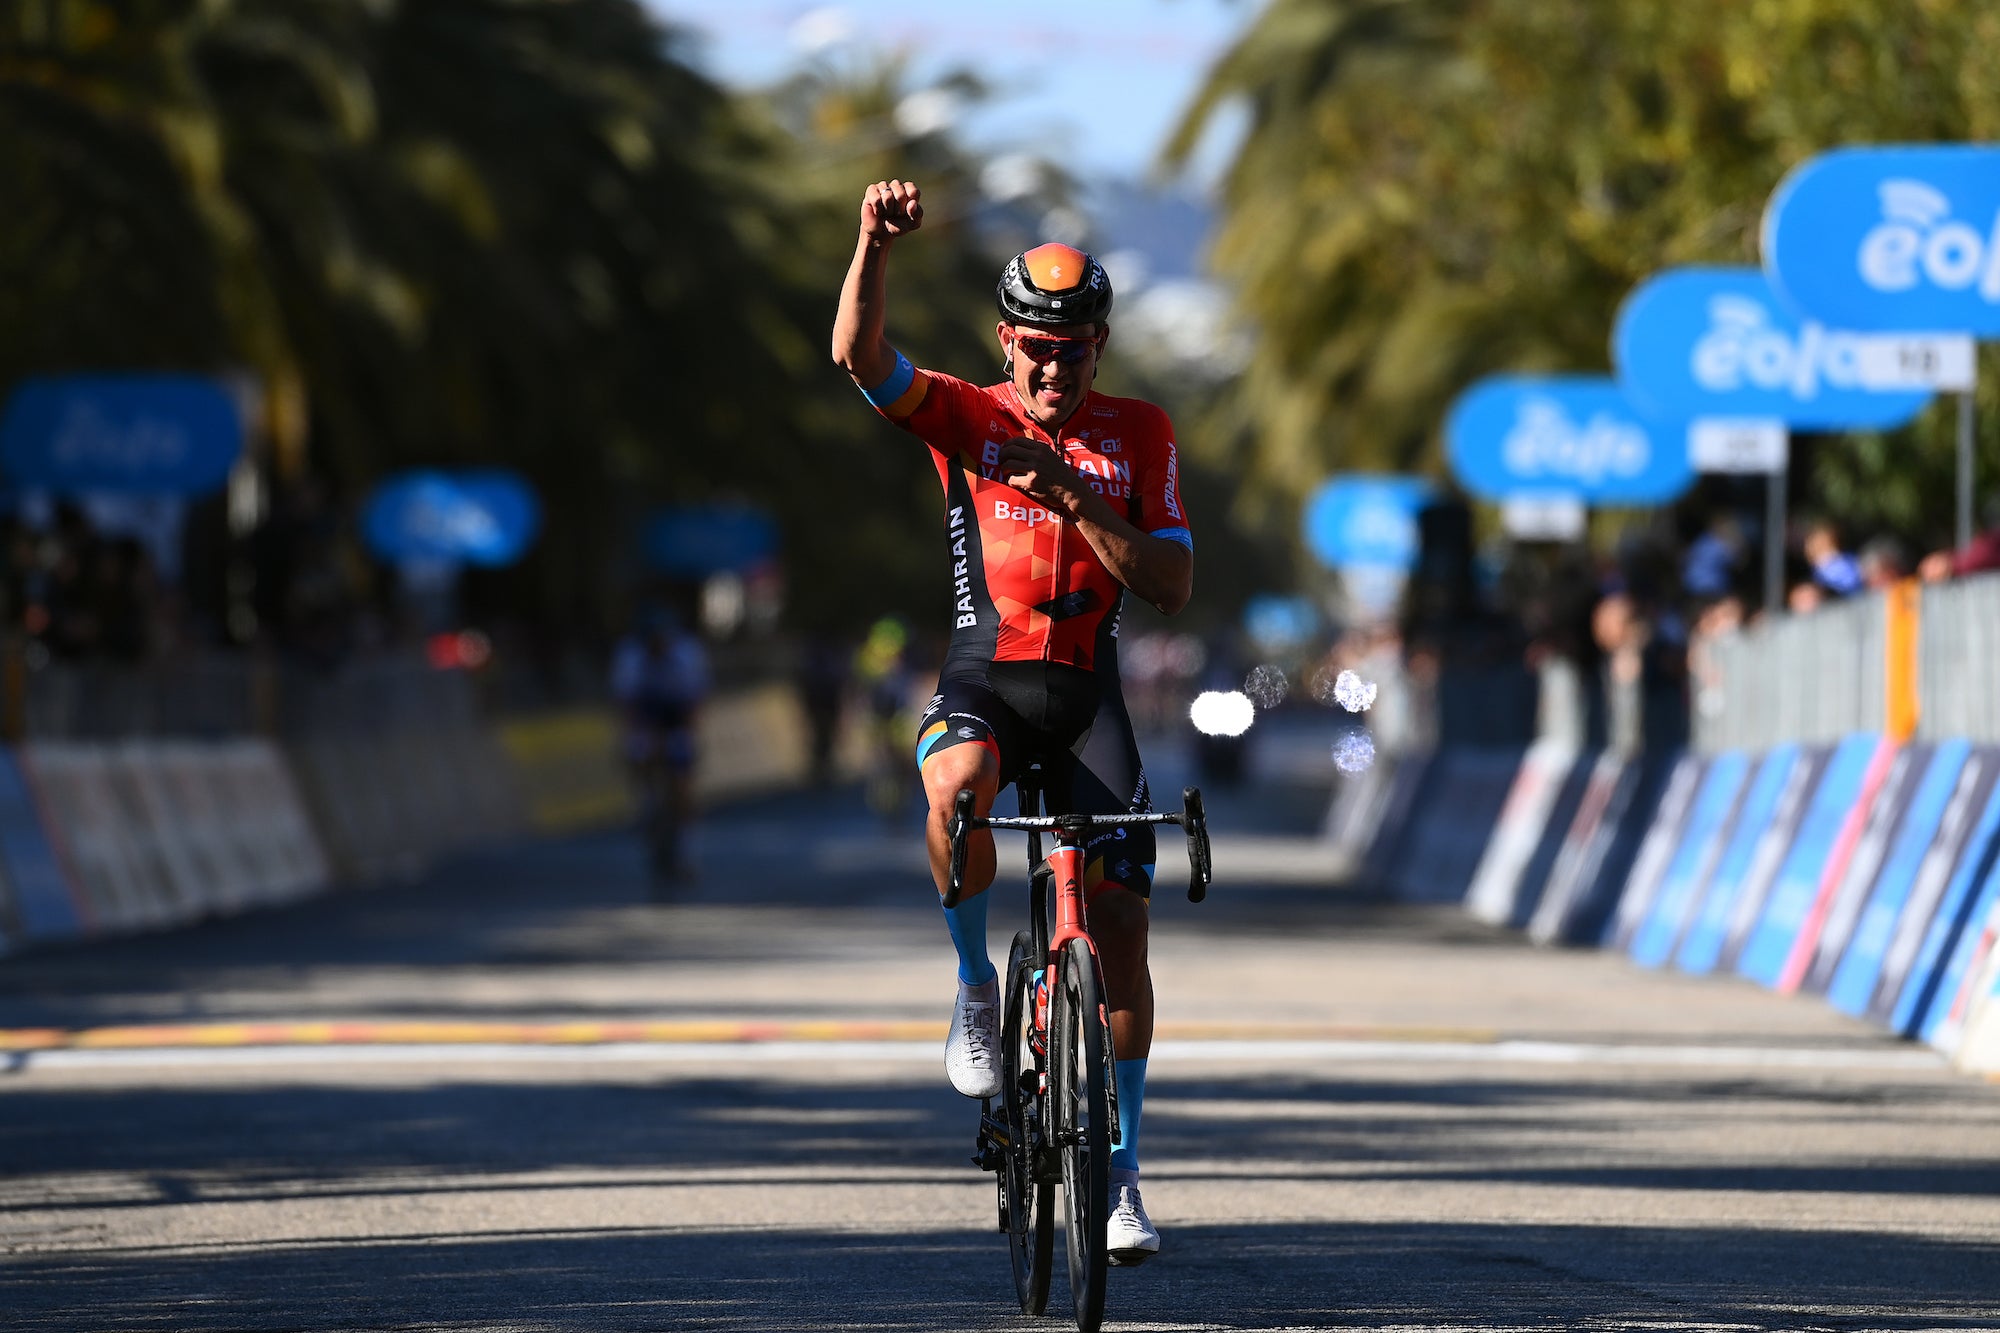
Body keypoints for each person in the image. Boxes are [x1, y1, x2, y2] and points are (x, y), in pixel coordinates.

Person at [831, 178, 1193, 1265]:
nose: (1050, 367)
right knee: (951, 788)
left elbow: (1169, 581)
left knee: (1122, 930)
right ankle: (974, 989)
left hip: (1087, 695)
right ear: (1006, 341)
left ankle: (1121, 1174)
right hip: (985, 674)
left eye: (1072, 349)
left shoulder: (1138, 432)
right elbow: (857, 357)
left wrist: (1072, 493)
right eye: (1033, 347)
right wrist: (869, 243)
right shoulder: (965, 411)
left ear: (1099, 347)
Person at [610, 606, 711, 891]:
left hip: (677, 716)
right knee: (638, 757)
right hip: (646, 715)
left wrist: (689, 737)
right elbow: (625, 704)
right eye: (652, 640)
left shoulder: (688, 654)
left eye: (662, 640)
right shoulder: (629, 656)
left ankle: (688, 850)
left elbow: (695, 703)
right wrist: (634, 740)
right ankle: (645, 803)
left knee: (683, 784)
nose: (658, 645)